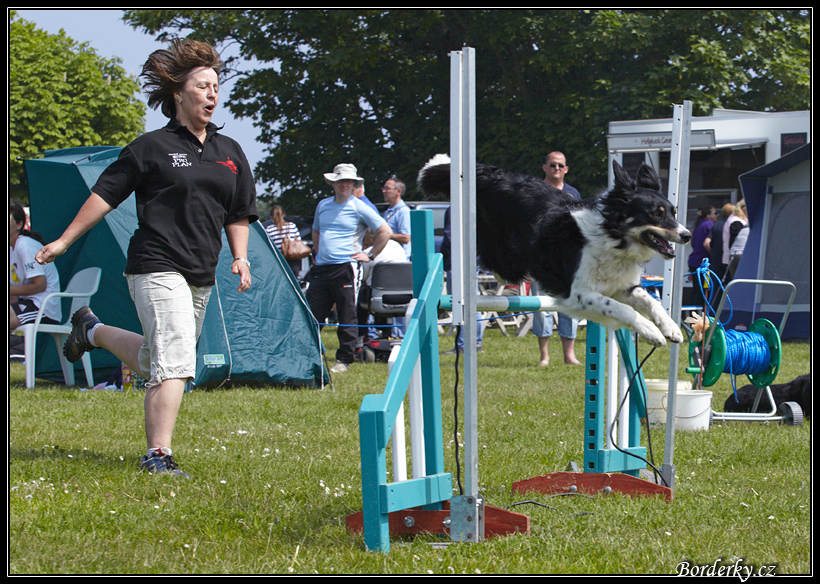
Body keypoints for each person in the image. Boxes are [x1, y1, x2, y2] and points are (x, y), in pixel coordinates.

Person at [35, 39, 258, 478]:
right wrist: (63, 241)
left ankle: (92, 329)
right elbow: (104, 195)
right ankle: (158, 455)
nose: (212, 94)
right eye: (203, 86)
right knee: (175, 361)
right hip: (156, 263)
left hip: (201, 271)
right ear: (178, 93)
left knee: (159, 357)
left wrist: (241, 257)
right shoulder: (150, 147)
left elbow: (239, 212)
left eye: (216, 87)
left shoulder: (230, 152)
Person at [308, 163, 392, 373]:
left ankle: (344, 359)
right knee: (311, 313)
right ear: (333, 183)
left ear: (354, 184)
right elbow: (316, 230)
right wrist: (318, 253)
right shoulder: (323, 205)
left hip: (346, 267)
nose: (344, 185)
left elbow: (385, 231)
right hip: (322, 268)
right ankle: (309, 354)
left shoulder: (359, 206)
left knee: (347, 314)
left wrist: (370, 254)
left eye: (349, 182)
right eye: (340, 181)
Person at [533, 151, 581, 366]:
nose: (557, 169)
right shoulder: (535, 191)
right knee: (541, 306)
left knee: (569, 305)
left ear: (566, 169)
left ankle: (569, 356)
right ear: (545, 167)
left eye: (561, 165)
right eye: (552, 165)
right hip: (540, 257)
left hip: (568, 260)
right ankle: (544, 356)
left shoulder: (573, 194)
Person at [9, 199, 62, 331]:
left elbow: (40, 285)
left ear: (19, 224)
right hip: (27, 303)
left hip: (43, 307)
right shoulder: (11, 249)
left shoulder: (25, 245)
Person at [441, 205, 485, 355]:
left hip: (458, 259)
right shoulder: (474, 206)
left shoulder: (456, 207)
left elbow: (450, 236)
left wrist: (443, 257)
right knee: (471, 300)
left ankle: (464, 344)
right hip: (472, 257)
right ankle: (475, 342)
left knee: (463, 302)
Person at [381, 177, 412, 338]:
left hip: (399, 263)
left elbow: (406, 237)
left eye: (388, 188)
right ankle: (394, 335)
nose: (384, 191)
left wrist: (385, 235)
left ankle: (402, 336)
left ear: (398, 191)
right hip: (390, 262)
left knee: (399, 303)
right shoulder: (389, 212)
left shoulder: (403, 212)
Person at [686, 206, 717, 305]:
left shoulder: (698, 225)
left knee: (697, 290)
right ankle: (701, 316)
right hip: (703, 263)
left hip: (694, 261)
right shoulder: (709, 225)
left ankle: (692, 315)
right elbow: (707, 243)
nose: (717, 215)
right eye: (715, 213)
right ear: (708, 215)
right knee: (704, 292)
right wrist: (714, 254)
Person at [263, 205, 303, 276]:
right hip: (294, 261)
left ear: (271, 216)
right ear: (283, 215)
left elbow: (267, 247)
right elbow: (299, 241)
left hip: (279, 261)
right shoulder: (292, 225)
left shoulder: (269, 229)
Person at [722, 200, 748, 284]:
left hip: (732, 254)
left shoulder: (733, 219)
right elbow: (734, 240)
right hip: (739, 253)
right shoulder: (737, 221)